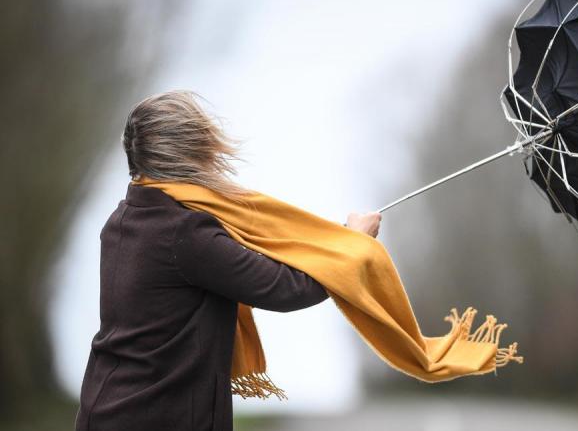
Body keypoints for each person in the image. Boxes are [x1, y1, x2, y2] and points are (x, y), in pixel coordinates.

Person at [74, 90, 381, 431]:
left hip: (104, 412)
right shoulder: (184, 233)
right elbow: (286, 289)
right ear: (193, 152)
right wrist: (354, 244)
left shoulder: (123, 220)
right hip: (156, 418)